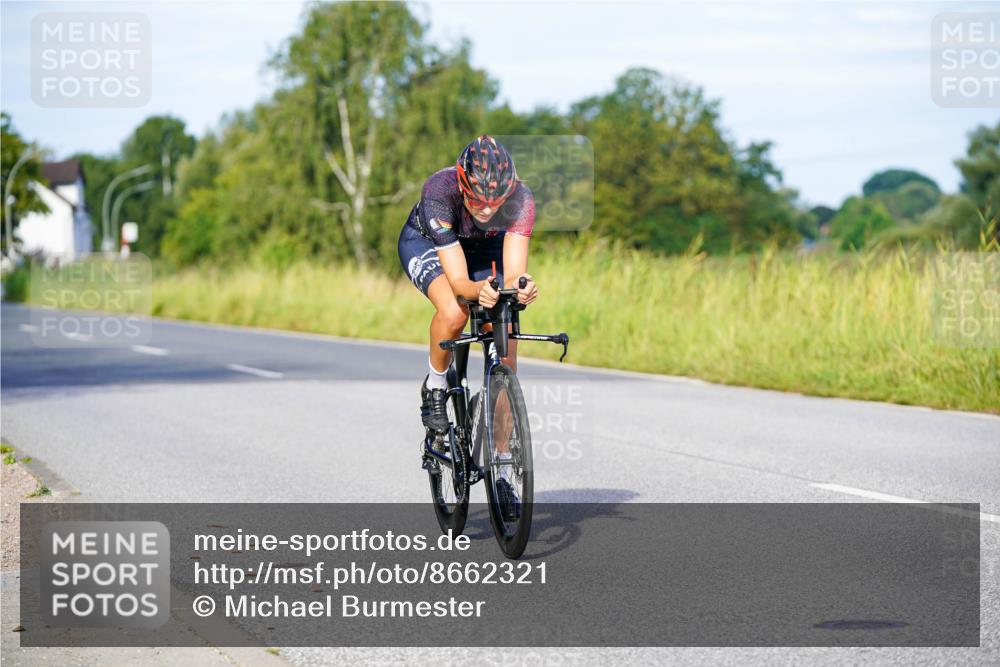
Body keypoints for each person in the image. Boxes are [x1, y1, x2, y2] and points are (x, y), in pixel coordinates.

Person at [397, 134, 538, 434]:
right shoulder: (439, 190)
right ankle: (435, 386)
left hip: (485, 247)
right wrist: (478, 291)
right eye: (477, 199)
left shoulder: (522, 199)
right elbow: (460, 283)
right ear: (463, 185)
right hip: (430, 243)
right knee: (455, 311)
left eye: (496, 201)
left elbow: (514, 274)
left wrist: (521, 287)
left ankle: (502, 470)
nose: (486, 210)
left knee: (506, 335)